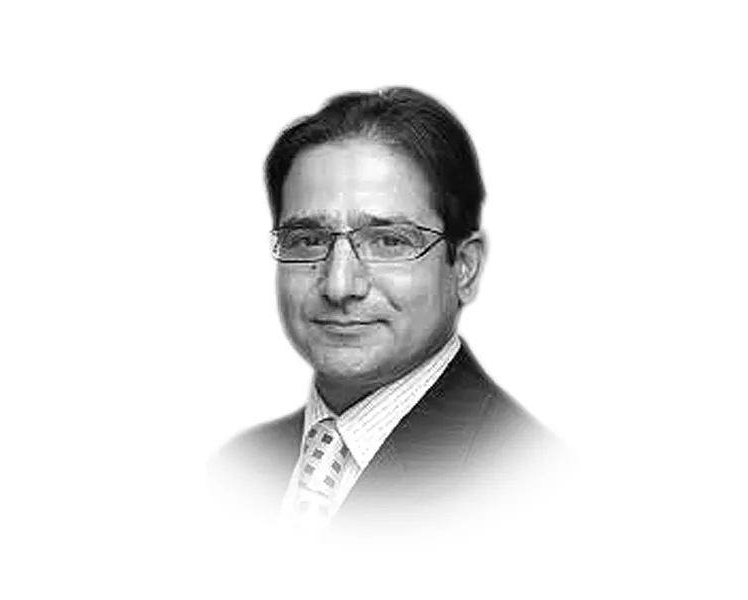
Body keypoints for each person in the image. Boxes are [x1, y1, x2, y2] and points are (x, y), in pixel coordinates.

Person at [209, 87, 559, 531]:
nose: (339, 286)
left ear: (464, 268)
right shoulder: (236, 469)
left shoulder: (530, 485)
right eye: (308, 240)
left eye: (388, 241)